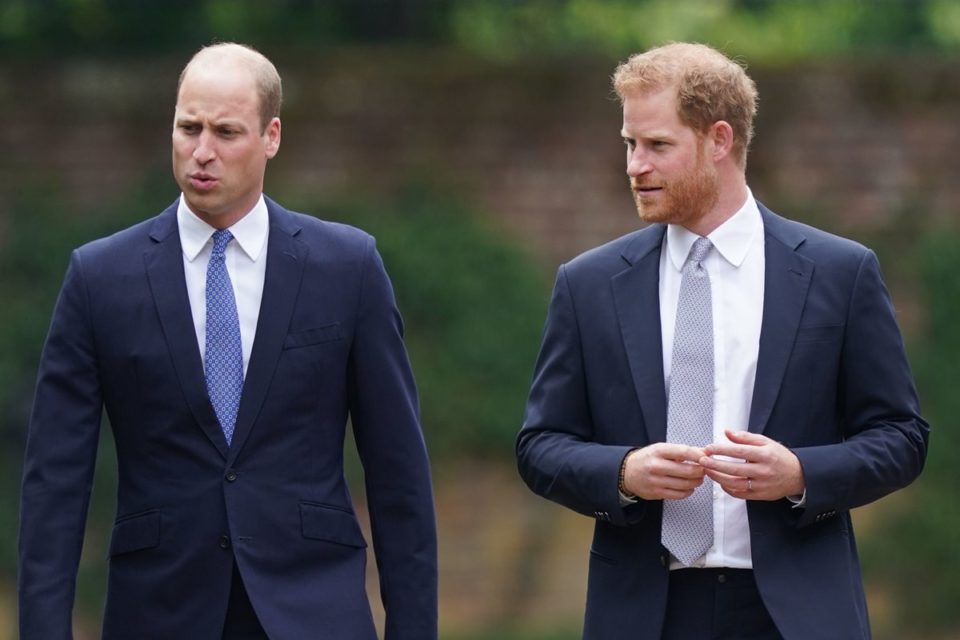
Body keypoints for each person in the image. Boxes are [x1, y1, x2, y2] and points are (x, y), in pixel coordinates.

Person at [18, 42, 437, 639]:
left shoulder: (348, 267)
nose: (202, 152)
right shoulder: (99, 278)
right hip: (158, 611)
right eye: (188, 128)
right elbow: (54, 484)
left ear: (271, 136)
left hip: (313, 609)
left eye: (226, 131)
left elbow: (399, 476)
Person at [516, 42, 928, 640]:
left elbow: (902, 437)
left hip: (796, 612)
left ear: (719, 140)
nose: (635, 165)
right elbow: (540, 446)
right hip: (643, 612)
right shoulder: (588, 284)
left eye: (657, 145)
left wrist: (800, 473)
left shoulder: (840, 272)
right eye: (630, 144)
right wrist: (624, 471)